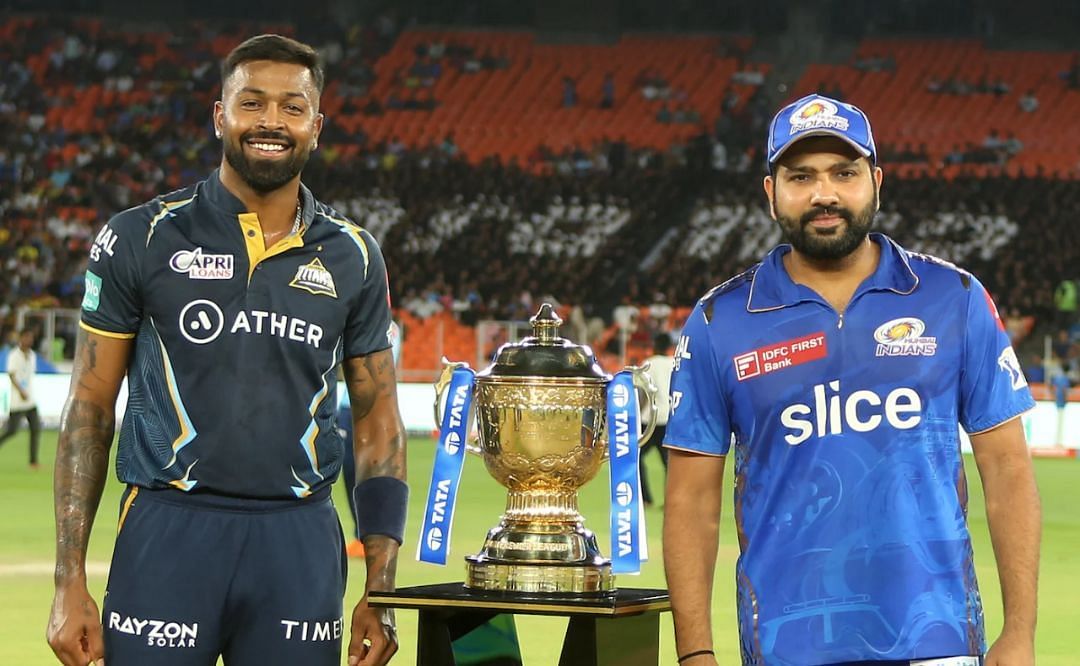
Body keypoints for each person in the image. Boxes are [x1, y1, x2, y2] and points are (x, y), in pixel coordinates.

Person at [46, 35, 406, 666]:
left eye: (292, 108)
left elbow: (378, 422)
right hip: (168, 530)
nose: (272, 121)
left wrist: (381, 586)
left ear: (316, 127)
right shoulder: (141, 236)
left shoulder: (353, 254)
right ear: (220, 115)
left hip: (298, 542)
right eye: (252, 103)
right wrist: (67, 579)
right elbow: (90, 405)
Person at [662, 93, 1040, 666]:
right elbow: (690, 499)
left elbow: (1007, 466)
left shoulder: (953, 297)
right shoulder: (721, 321)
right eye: (800, 176)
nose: (824, 194)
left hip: (936, 642)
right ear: (771, 193)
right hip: (786, 646)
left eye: (845, 173)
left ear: (876, 181)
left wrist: (1020, 633)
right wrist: (695, 653)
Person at [639, 332, 674, 506]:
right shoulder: (674, 363)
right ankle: (671, 500)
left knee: (637, 457)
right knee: (669, 462)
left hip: (650, 419)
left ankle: (645, 498)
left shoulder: (649, 364)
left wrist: (637, 413)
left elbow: (644, 392)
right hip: (669, 418)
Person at [0, 328, 42, 468]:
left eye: (31, 337)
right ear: (21, 338)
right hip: (17, 401)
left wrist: (27, 392)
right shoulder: (14, 355)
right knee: (11, 431)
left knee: (35, 428)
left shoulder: (32, 355)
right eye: (27, 337)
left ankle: (33, 461)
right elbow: (11, 375)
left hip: (30, 400)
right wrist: (21, 391)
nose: (30, 340)